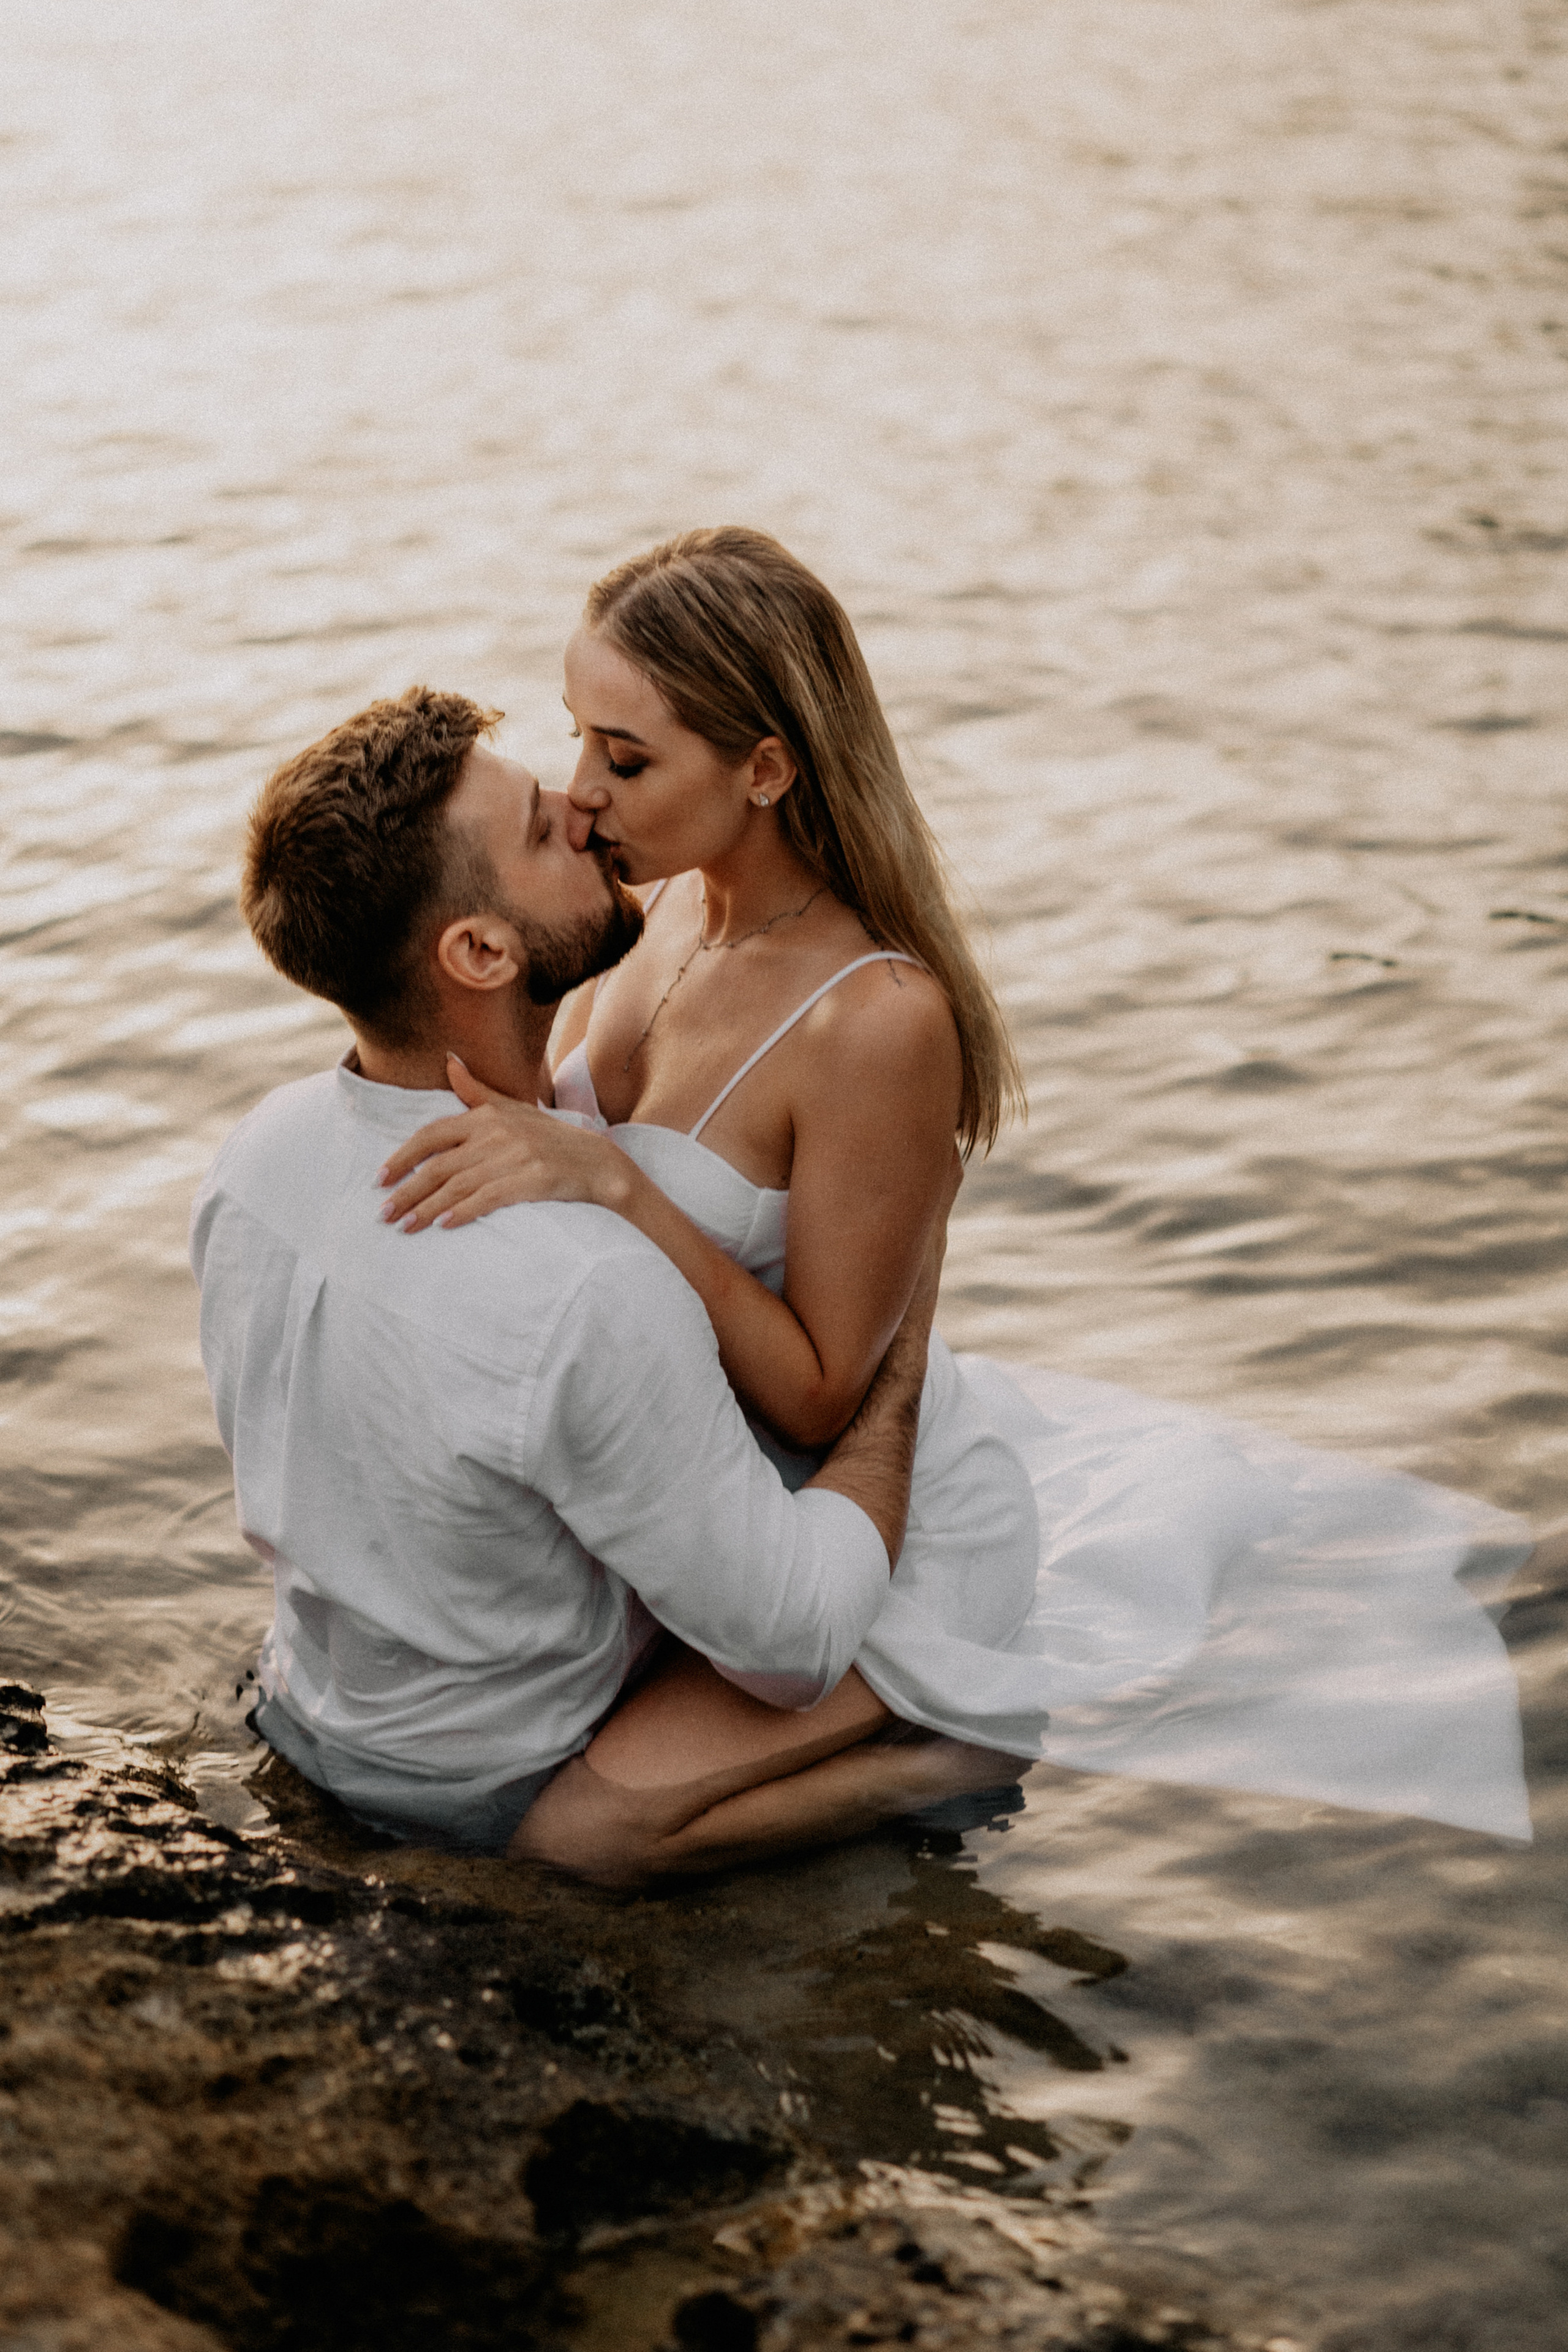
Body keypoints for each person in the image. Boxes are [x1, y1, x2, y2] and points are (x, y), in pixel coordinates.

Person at [376, 530, 1539, 1844]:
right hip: (702, 1521)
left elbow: (824, 1386)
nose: (578, 793)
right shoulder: (671, 918)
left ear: (765, 769)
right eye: (578, 738)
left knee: (580, 1841)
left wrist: (620, 1191)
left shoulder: (871, 1020)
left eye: (625, 759)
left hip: (853, 1529)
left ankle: (956, 1751)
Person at [190, 685, 1020, 1886]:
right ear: (479, 952)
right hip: (492, 1788)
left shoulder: (256, 1156)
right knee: (636, 1803)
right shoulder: (584, 1287)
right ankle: (944, 1767)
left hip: (313, 1717)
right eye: (539, 828)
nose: (582, 809)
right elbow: (793, 1642)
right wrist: (896, 1365)